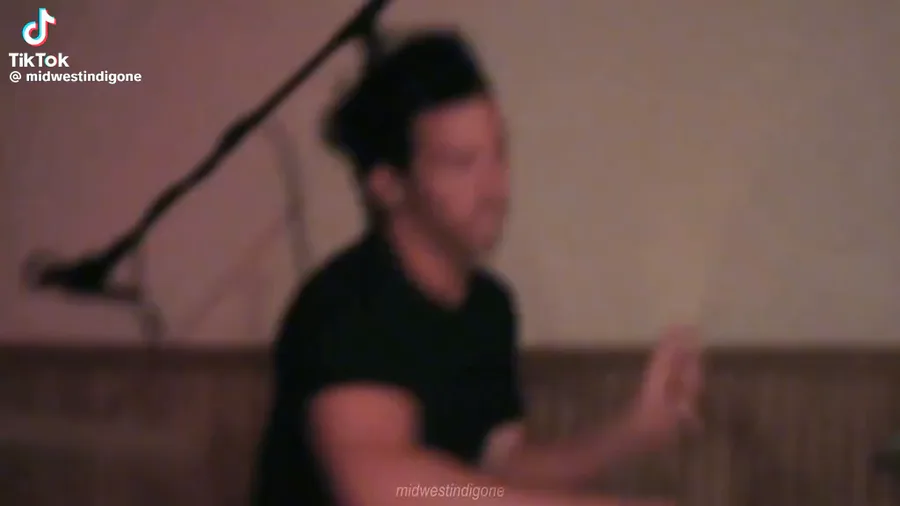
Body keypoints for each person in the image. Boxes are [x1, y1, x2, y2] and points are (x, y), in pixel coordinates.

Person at [252, 30, 703, 506]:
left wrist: (634, 430)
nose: (495, 188)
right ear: (388, 185)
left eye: (498, 154)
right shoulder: (343, 304)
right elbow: (385, 485)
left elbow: (499, 471)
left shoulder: (490, 306)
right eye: (461, 163)